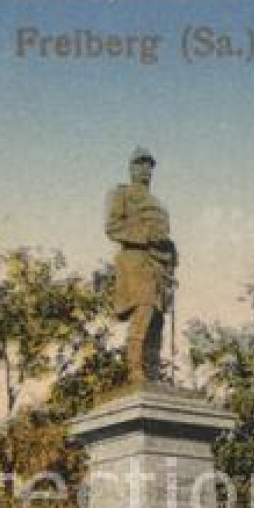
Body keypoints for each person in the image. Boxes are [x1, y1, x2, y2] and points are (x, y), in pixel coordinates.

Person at [105, 146, 176, 382]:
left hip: (160, 267)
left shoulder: (159, 203)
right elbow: (113, 227)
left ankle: (153, 373)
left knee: (157, 320)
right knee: (143, 312)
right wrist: (147, 235)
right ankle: (135, 370)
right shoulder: (121, 194)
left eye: (149, 165)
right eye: (140, 164)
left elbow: (164, 236)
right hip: (137, 262)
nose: (145, 169)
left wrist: (171, 255)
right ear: (131, 168)